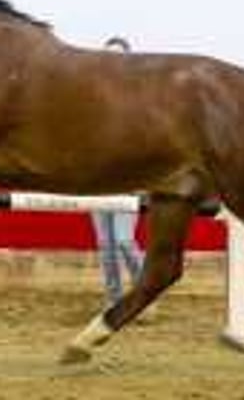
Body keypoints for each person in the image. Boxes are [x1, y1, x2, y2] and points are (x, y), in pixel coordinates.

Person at [91, 35, 145, 306]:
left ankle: (145, 288)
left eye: (117, 57)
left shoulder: (139, 97)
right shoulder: (90, 97)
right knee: (106, 247)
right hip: (96, 181)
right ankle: (113, 300)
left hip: (128, 181)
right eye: (106, 56)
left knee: (124, 240)